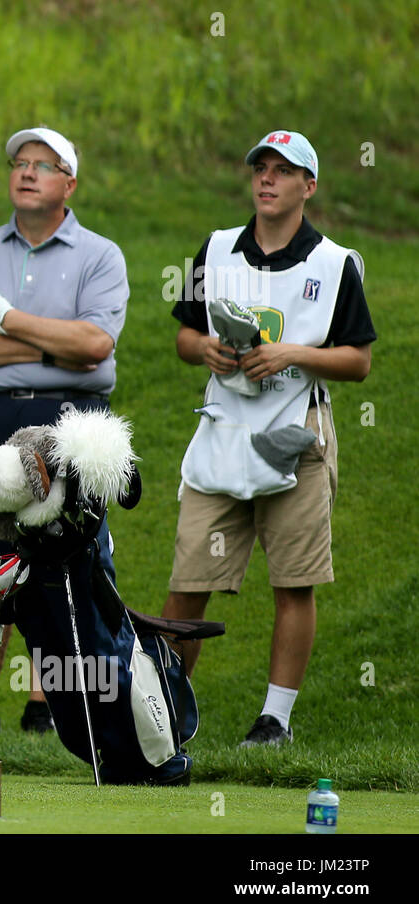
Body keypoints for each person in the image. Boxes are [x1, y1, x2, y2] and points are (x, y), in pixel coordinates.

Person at [162, 130, 375, 747]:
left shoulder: (335, 264)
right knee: (189, 579)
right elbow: (184, 337)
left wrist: (291, 353)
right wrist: (204, 347)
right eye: (261, 167)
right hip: (223, 431)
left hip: (296, 434)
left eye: (283, 171)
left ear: (308, 186)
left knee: (293, 580)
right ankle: (166, 716)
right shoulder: (217, 249)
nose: (267, 179)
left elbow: (358, 361)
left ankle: (274, 720)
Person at [0, 127, 129, 737]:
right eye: (20, 163)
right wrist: (54, 345)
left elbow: (96, 346)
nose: (26, 173)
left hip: (67, 423)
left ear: (68, 185)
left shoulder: (100, 255)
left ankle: (49, 706)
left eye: (43, 166)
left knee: (62, 563)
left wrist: (8, 324)